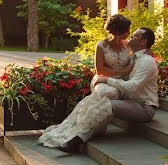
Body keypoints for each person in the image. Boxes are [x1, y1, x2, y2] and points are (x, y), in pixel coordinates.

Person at [41, 27, 159, 154]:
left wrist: (106, 80)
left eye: (135, 36)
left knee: (105, 105)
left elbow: (132, 86)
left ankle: (75, 142)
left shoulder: (147, 61)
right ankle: (74, 131)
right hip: (130, 102)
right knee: (94, 102)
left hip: (145, 107)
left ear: (143, 42)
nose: (131, 37)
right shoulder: (134, 58)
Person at [38, 14, 133, 150]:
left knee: (107, 96)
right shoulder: (101, 45)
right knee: (105, 93)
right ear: (118, 31)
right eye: (127, 30)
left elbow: (144, 49)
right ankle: (83, 128)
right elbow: (99, 70)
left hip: (121, 82)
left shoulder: (128, 45)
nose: (129, 33)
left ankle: (89, 129)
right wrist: (122, 71)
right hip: (103, 80)